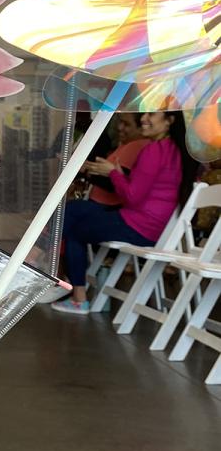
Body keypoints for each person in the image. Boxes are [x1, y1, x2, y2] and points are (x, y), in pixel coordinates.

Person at [52, 110, 198, 315]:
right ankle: (53, 270)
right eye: (144, 115)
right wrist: (118, 174)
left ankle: (78, 297)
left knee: (76, 230)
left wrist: (111, 173)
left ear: (170, 121)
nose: (144, 119)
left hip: (139, 226)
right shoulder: (175, 150)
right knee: (75, 209)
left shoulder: (153, 151)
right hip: (154, 226)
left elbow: (132, 198)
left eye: (152, 115)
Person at [85, 112, 148, 207]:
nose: (119, 127)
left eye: (126, 124)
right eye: (120, 122)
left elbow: (112, 184)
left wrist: (87, 171)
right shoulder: (128, 143)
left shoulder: (136, 146)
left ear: (141, 128)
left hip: (105, 207)